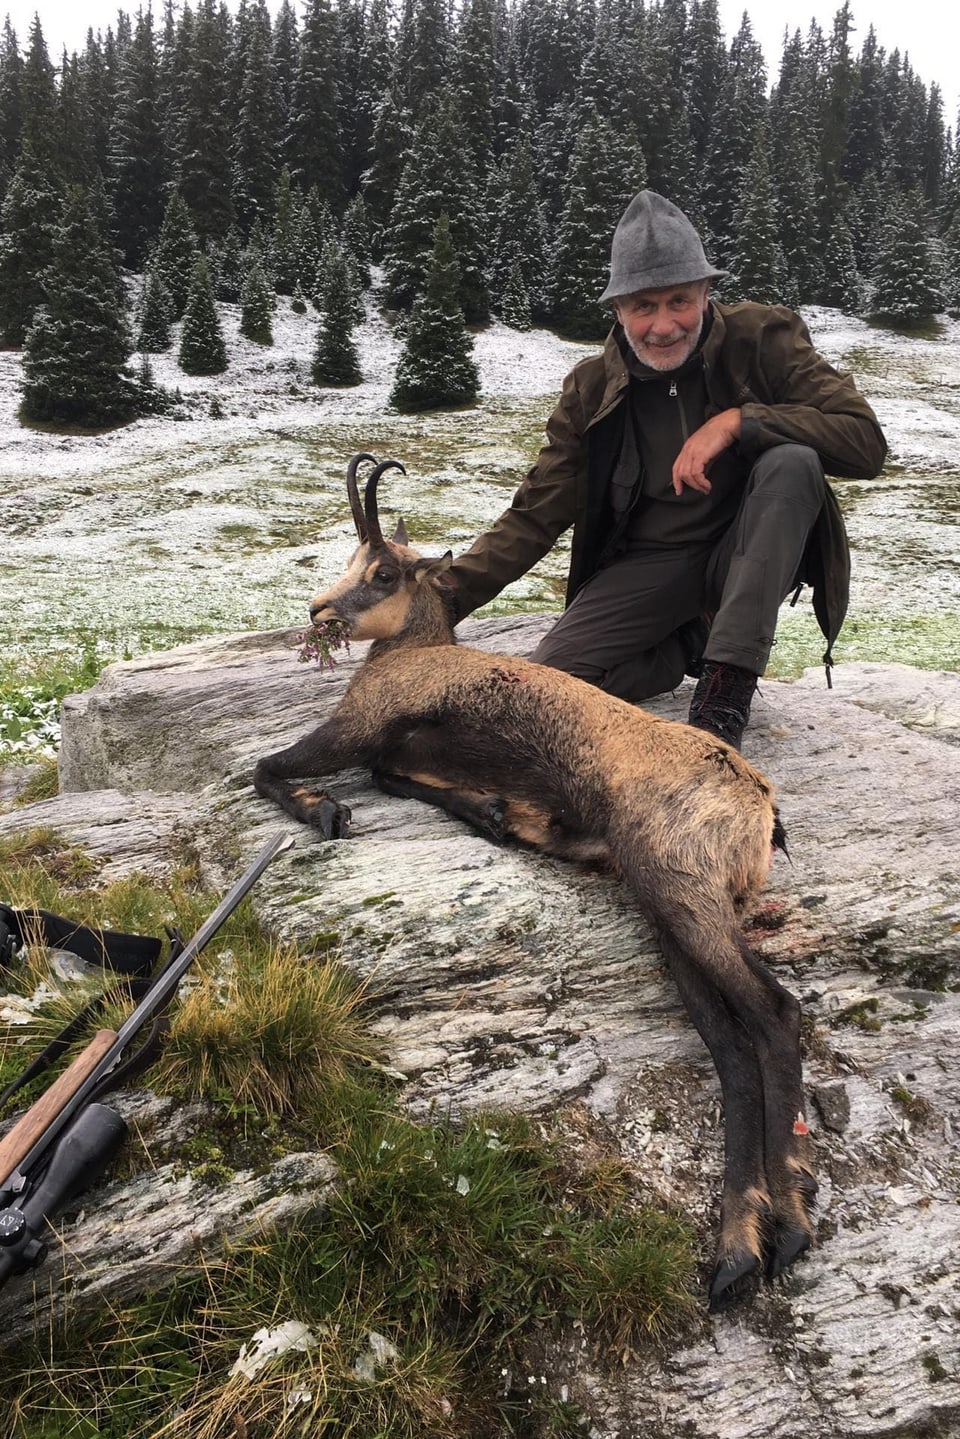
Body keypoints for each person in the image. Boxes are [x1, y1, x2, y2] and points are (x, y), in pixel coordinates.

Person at [446, 190, 887, 749]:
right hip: (653, 563)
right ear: (618, 309)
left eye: (680, 300)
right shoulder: (590, 389)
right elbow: (536, 515)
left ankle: (724, 696)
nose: (663, 326)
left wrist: (739, 422)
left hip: (748, 554)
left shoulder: (763, 340)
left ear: (706, 292)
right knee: (554, 684)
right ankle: (690, 642)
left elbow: (864, 442)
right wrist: (443, 596)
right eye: (643, 306)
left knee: (793, 461)